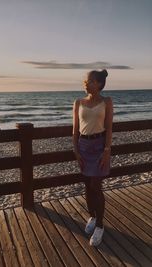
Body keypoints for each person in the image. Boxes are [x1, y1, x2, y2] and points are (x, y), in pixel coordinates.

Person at [72, 69, 113, 246]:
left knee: (96, 185)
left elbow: (109, 128)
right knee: (87, 185)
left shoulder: (107, 102)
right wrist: (75, 150)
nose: (85, 83)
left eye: (89, 80)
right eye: (85, 80)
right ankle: (92, 217)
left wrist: (106, 150)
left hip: (99, 147)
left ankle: (100, 226)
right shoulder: (78, 102)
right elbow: (75, 129)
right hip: (83, 146)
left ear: (98, 83)